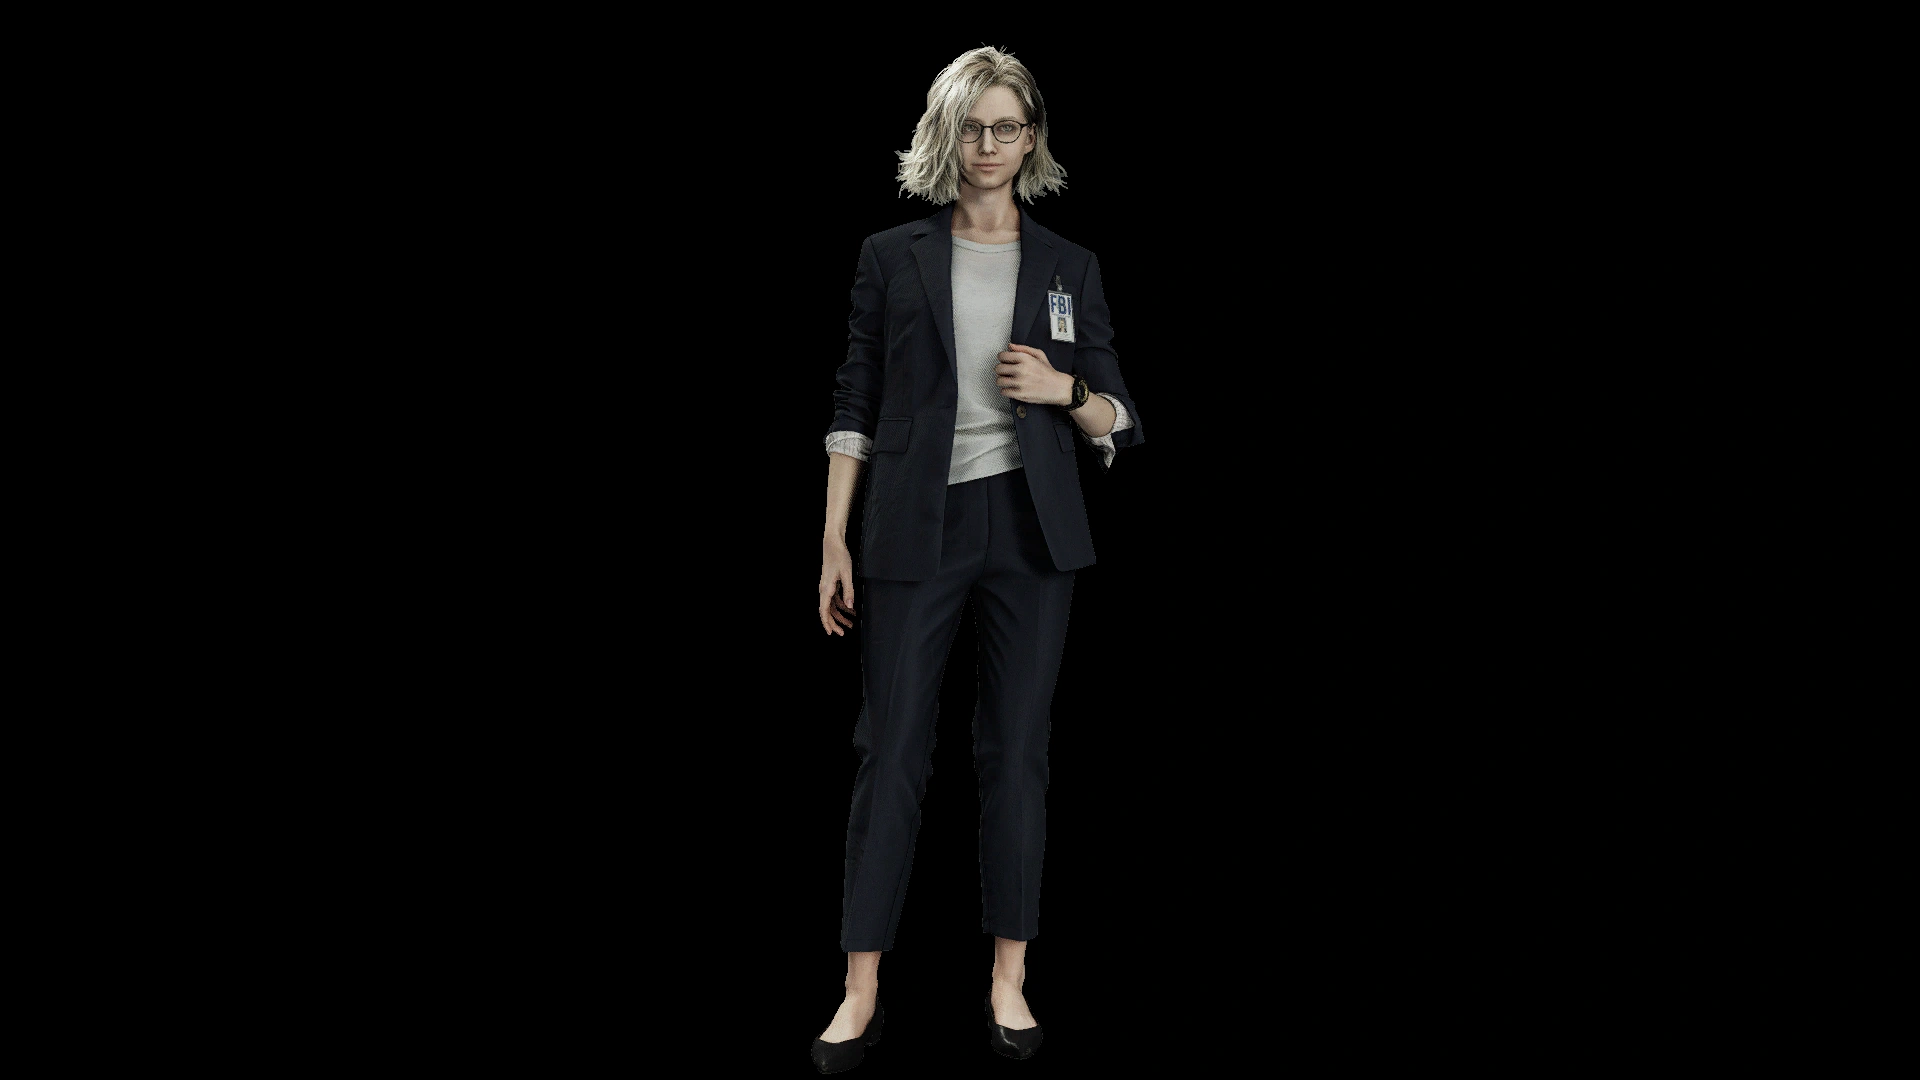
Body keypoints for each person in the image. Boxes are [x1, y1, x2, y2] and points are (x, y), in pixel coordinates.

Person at [811, 45, 1144, 1072]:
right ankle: (860, 985)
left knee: (1016, 754)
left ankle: (1009, 975)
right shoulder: (890, 254)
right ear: (945, 134)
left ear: (1031, 137)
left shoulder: (1070, 264)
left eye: (1007, 126)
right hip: (913, 526)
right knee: (891, 750)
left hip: (1033, 532)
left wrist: (1067, 395)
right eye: (972, 126)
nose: (989, 144)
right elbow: (856, 397)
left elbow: (1123, 418)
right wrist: (833, 534)